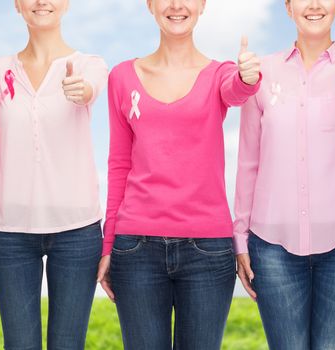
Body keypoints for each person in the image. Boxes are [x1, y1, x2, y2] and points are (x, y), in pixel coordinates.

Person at [96, 0, 261, 348]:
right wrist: (108, 243)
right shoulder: (122, 77)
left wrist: (248, 78)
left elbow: (237, 90)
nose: (176, 5)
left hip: (207, 251)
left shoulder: (221, 74)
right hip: (135, 248)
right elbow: (119, 164)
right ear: (150, 5)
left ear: (202, 5)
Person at [233, 0, 335, 348]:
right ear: (287, 7)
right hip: (272, 246)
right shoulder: (262, 73)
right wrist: (240, 237)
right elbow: (248, 160)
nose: (314, 5)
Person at [0, 0, 108, 348]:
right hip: (9, 232)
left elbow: (90, 89)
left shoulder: (89, 66)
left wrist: (82, 91)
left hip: (77, 231)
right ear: (17, 5)